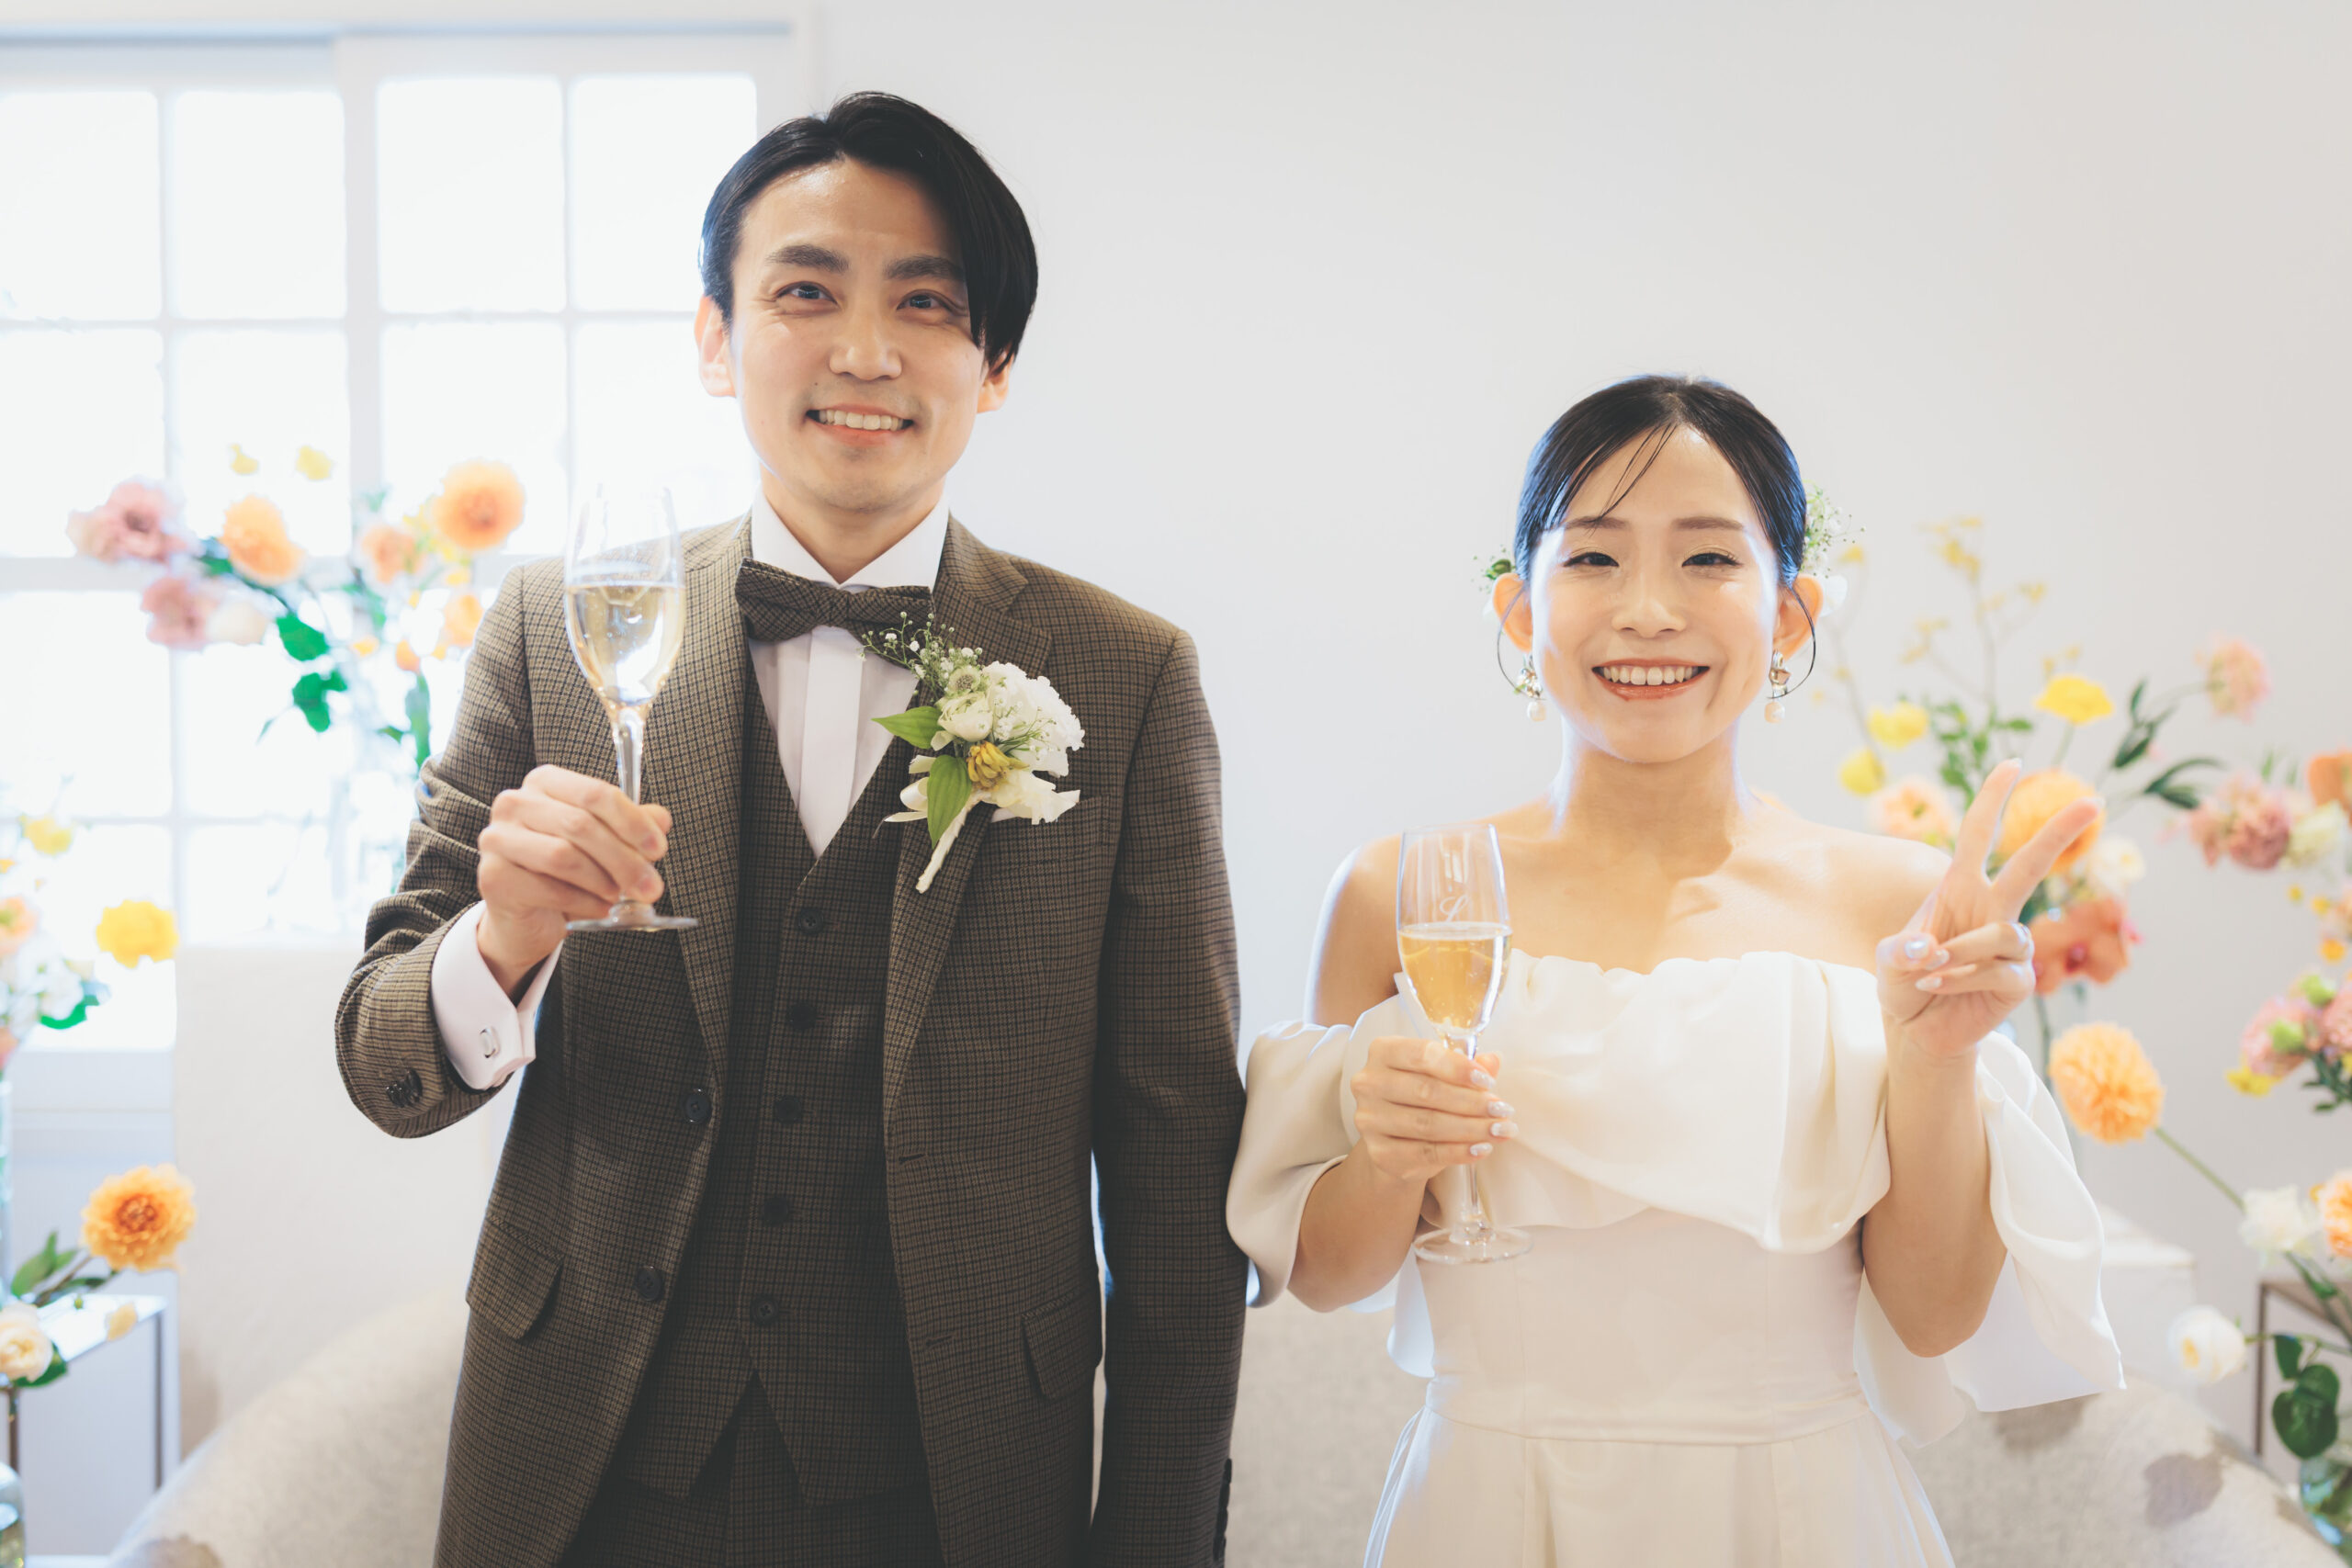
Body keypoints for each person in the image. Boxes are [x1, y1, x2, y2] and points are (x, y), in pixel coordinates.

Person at [335, 93, 1245, 1568]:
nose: (865, 351)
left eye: (927, 304)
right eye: (806, 292)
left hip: (959, 1491)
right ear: (716, 337)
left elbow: (1177, 1176)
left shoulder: (1124, 675)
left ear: (995, 366)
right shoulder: (556, 627)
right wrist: (500, 942)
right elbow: (384, 1062)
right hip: (587, 1472)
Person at [1227, 375, 2125, 1565]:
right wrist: (1391, 1154)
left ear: (1791, 614)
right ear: (1519, 610)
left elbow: (1934, 1311)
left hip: (1802, 1515)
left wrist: (1936, 1056)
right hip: (1489, 1509)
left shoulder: (1898, 905)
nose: (1648, 611)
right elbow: (1332, 1276)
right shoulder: (1403, 892)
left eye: (1708, 560)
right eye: (1594, 559)